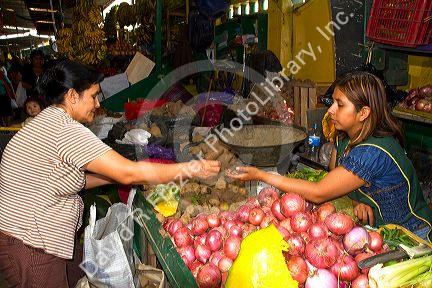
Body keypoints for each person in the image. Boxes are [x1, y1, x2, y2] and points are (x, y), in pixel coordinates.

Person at [0, 60, 221, 288]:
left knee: (81, 272)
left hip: (35, 239)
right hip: (31, 246)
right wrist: (191, 168)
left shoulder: (48, 121)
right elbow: (129, 174)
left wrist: (116, 174)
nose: (97, 104)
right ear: (73, 95)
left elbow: (73, 181)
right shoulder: (65, 130)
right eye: (94, 96)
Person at [228, 71, 432, 241]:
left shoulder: (373, 152)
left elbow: (320, 191)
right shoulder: (344, 137)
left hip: (413, 237)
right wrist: (355, 200)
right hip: (382, 232)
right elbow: (336, 178)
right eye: (332, 101)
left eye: (340, 104)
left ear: (363, 113)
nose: (331, 110)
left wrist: (262, 175)